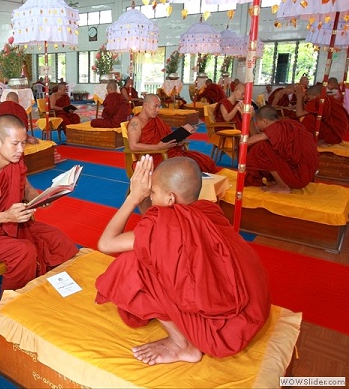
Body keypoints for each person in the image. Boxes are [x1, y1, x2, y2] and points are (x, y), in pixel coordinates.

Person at [95, 156, 271, 364]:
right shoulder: (208, 209)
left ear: (170, 198)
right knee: (150, 257)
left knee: (129, 266)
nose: (150, 198)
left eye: (152, 192)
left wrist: (133, 197)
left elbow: (105, 244)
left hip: (220, 334)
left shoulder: (163, 225)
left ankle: (183, 346)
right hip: (253, 312)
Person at [0, 114, 78, 292]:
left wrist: (44, 197)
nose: (21, 149)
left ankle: (52, 292)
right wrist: (6, 216)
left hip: (11, 224)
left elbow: (26, 189)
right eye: (15, 143)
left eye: (23, 143)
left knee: (57, 238)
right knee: (24, 251)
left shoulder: (14, 160)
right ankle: (9, 308)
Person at [128, 94, 216, 173]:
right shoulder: (136, 122)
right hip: (152, 156)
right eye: (155, 106)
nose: (158, 110)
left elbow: (166, 137)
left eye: (159, 107)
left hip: (167, 152)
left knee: (205, 161)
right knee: (188, 167)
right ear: (145, 105)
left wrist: (178, 140)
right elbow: (133, 146)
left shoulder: (155, 119)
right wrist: (157, 147)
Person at [246, 105, 319, 193]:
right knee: (263, 146)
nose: (257, 126)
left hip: (298, 176)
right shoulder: (288, 124)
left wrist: (239, 143)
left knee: (262, 148)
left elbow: (250, 141)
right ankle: (279, 181)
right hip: (305, 174)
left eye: (257, 123)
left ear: (265, 121)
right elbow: (256, 139)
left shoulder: (277, 128)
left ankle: (283, 186)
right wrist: (250, 120)